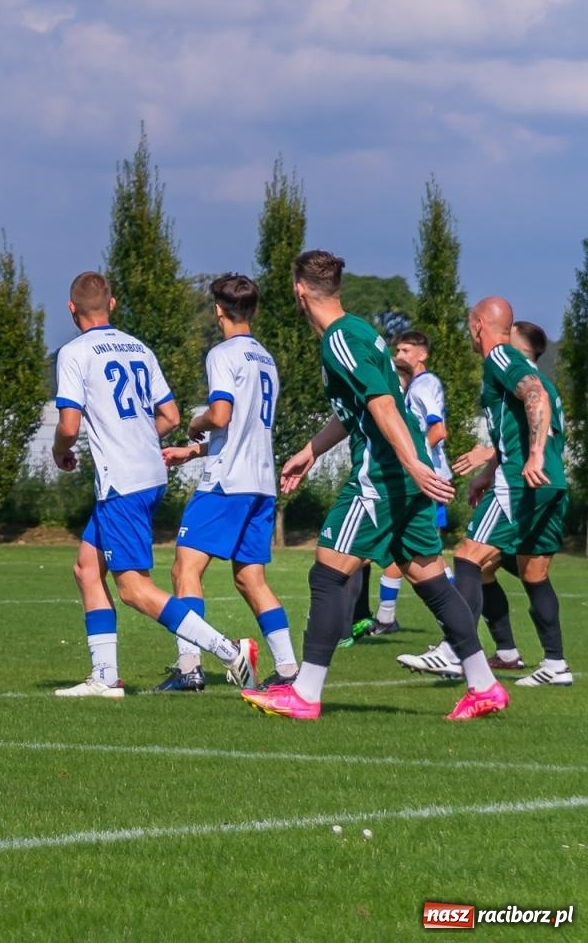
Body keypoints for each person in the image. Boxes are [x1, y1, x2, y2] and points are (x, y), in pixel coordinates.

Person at [242, 250, 504, 721]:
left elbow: (383, 404)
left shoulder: (340, 339)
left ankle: (304, 693)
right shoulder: (360, 330)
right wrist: (310, 450)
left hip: (382, 475)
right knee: (431, 580)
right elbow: (358, 410)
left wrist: (411, 465)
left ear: (299, 291)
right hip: (404, 472)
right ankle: (484, 685)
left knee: (327, 572)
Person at [51, 272, 257, 699]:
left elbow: (69, 426)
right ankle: (105, 676)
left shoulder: (74, 352)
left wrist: (60, 450)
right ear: (112, 304)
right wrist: (139, 439)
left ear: (71, 308)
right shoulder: (138, 348)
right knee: (87, 568)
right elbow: (171, 416)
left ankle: (229, 649)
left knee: (132, 589)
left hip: (122, 482)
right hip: (147, 473)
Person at [401, 305, 571, 688]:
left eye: (468, 323)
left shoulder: (500, 356)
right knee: (533, 573)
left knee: (468, 558)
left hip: (523, 480)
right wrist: (489, 470)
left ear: (478, 325)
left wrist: (532, 456)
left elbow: (534, 396)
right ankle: (552, 663)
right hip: (551, 482)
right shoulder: (528, 372)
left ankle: (453, 649)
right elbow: (526, 420)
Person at [158, 274, 298, 692]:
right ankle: (288, 669)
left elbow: (221, 416)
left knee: (185, 568)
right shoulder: (265, 358)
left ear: (218, 310)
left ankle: (189, 667)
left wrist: (195, 423)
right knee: (250, 578)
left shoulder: (223, 353)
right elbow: (244, 431)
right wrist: (193, 452)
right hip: (260, 483)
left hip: (226, 483)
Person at [352, 330, 452, 640]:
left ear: (423, 355)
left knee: (423, 557)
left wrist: (414, 457)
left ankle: (460, 617)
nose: (398, 355)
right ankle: (386, 617)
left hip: (425, 479)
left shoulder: (425, 384)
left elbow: (438, 429)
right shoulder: (411, 387)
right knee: (411, 553)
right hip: (418, 477)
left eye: (406, 350)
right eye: (397, 350)